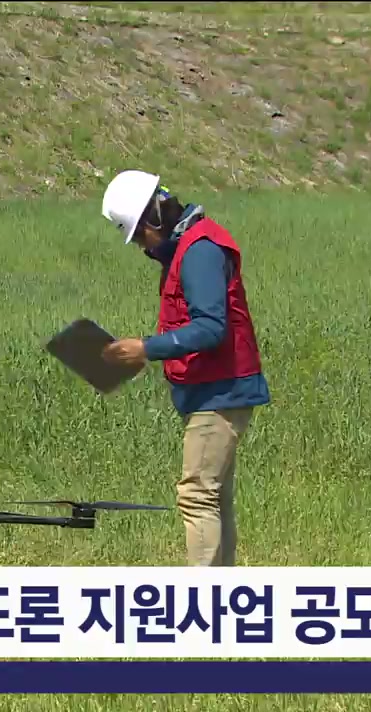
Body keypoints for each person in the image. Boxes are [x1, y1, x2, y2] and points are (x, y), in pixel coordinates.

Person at [98, 170, 270, 567]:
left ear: (154, 217)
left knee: (197, 495)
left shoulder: (199, 251)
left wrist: (147, 348)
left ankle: (202, 596)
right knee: (214, 496)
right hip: (213, 390)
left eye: (140, 235)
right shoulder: (189, 248)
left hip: (220, 392)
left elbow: (210, 327)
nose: (141, 246)